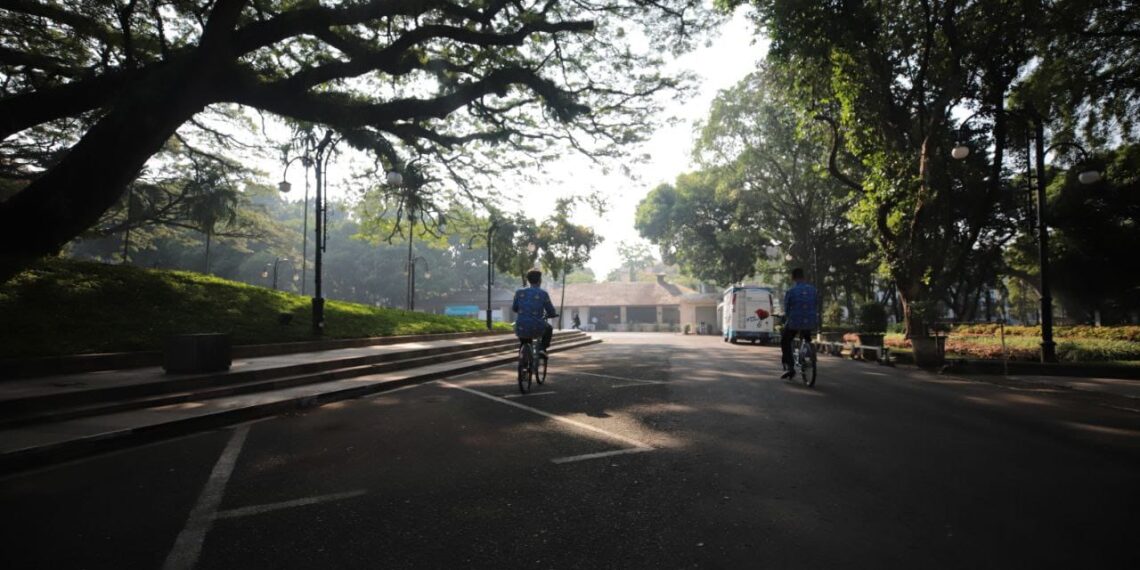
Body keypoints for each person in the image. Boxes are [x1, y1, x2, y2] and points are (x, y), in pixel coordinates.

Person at [780, 267, 818, 379]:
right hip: (811, 321)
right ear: (803, 277)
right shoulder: (813, 290)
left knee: (785, 341)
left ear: (793, 278)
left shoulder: (791, 291)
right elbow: (816, 304)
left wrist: (785, 317)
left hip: (794, 322)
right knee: (807, 335)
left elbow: (787, 309)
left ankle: (791, 368)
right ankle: (809, 349)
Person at [512, 269, 557, 357]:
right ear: (540, 280)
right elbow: (550, 311)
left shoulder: (519, 292)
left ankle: (522, 361)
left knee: (524, 341)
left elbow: (514, 308)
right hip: (537, 325)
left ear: (528, 280)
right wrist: (552, 314)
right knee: (549, 328)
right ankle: (542, 349)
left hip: (521, 326)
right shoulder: (543, 294)